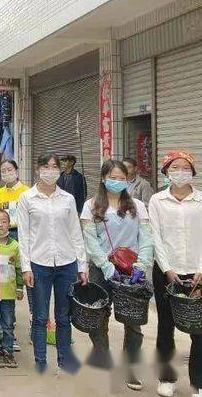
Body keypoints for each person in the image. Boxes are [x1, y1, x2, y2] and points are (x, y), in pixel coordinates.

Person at [81, 159, 153, 390]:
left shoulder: (138, 206)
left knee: (133, 321)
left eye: (122, 178)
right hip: (101, 269)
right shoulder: (91, 205)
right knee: (98, 316)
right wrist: (105, 265)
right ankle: (103, 354)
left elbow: (146, 236)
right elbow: (90, 240)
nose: (117, 182)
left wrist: (141, 265)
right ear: (103, 178)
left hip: (131, 271)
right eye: (113, 177)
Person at [19, 153, 87, 374]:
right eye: (46, 166)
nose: (50, 171)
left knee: (63, 316)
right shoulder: (27, 199)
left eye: (54, 167)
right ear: (38, 169)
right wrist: (26, 267)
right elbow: (24, 236)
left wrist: (82, 266)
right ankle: (40, 360)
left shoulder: (67, 198)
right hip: (39, 263)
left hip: (66, 263)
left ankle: (64, 359)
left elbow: (76, 234)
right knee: (40, 316)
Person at [148, 151, 202, 397]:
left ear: (192, 171)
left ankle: (198, 382)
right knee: (165, 325)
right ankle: (166, 378)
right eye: (175, 167)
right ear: (166, 171)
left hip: (198, 270)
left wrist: (201, 269)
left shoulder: (200, 200)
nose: (180, 171)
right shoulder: (158, 200)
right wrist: (167, 268)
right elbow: (156, 236)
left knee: (199, 328)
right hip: (166, 271)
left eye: (185, 167)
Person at [0, 208, 23, 369]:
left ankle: (8, 351)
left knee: (8, 324)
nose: (0, 225)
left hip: (9, 294)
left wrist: (20, 288)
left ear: (9, 223)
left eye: (3, 221)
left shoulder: (15, 246)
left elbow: (18, 268)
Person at [0, 160, 29, 240]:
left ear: (17, 171)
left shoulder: (27, 191)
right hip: (4, 233)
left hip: (23, 232)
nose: (6, 173)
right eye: (3, 171)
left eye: (9, 170)